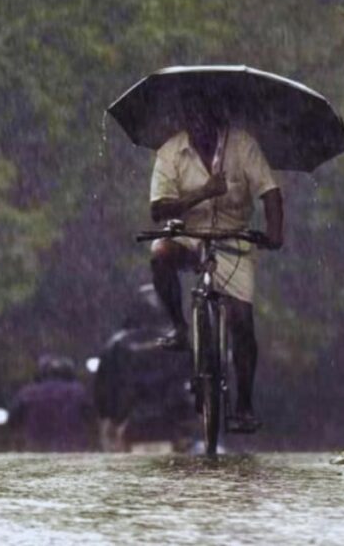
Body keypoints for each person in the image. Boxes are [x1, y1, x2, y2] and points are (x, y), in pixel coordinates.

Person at [149, 93, 283, 433]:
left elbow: (270, 192)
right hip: (188, 235)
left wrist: (274, 233)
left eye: (207, 122)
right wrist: (203, 193)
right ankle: (180, 328)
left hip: (233, 239)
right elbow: (158, 210)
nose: (200, 129)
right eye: (193, 122)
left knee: (241, 321)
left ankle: (244, 404)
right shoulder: (170, 152)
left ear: (219, 120)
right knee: (160, 253)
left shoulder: (243, 146)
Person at [94, 284, 192, 451]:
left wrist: (109, 416)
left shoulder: (117, 344)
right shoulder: (179, 342)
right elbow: (191, 379)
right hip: (170, 416)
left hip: (129, 416)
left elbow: (104, 386)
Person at [8, 355, 94, 452]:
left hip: (37, 445)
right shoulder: (78, 391)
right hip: (72, 446)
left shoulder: (28, 393)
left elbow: (14, 419)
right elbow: (90, 417)